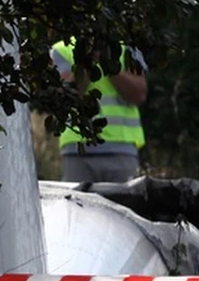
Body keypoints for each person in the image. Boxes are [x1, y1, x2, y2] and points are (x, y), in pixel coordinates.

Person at [51, 38, 148, 183]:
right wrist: (89, 61)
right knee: (76, 205)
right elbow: (65, 95)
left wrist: (108, 63)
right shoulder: (61, 50)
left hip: (121, 148)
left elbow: (139, 94)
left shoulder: (128, 49)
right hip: (78, 149)